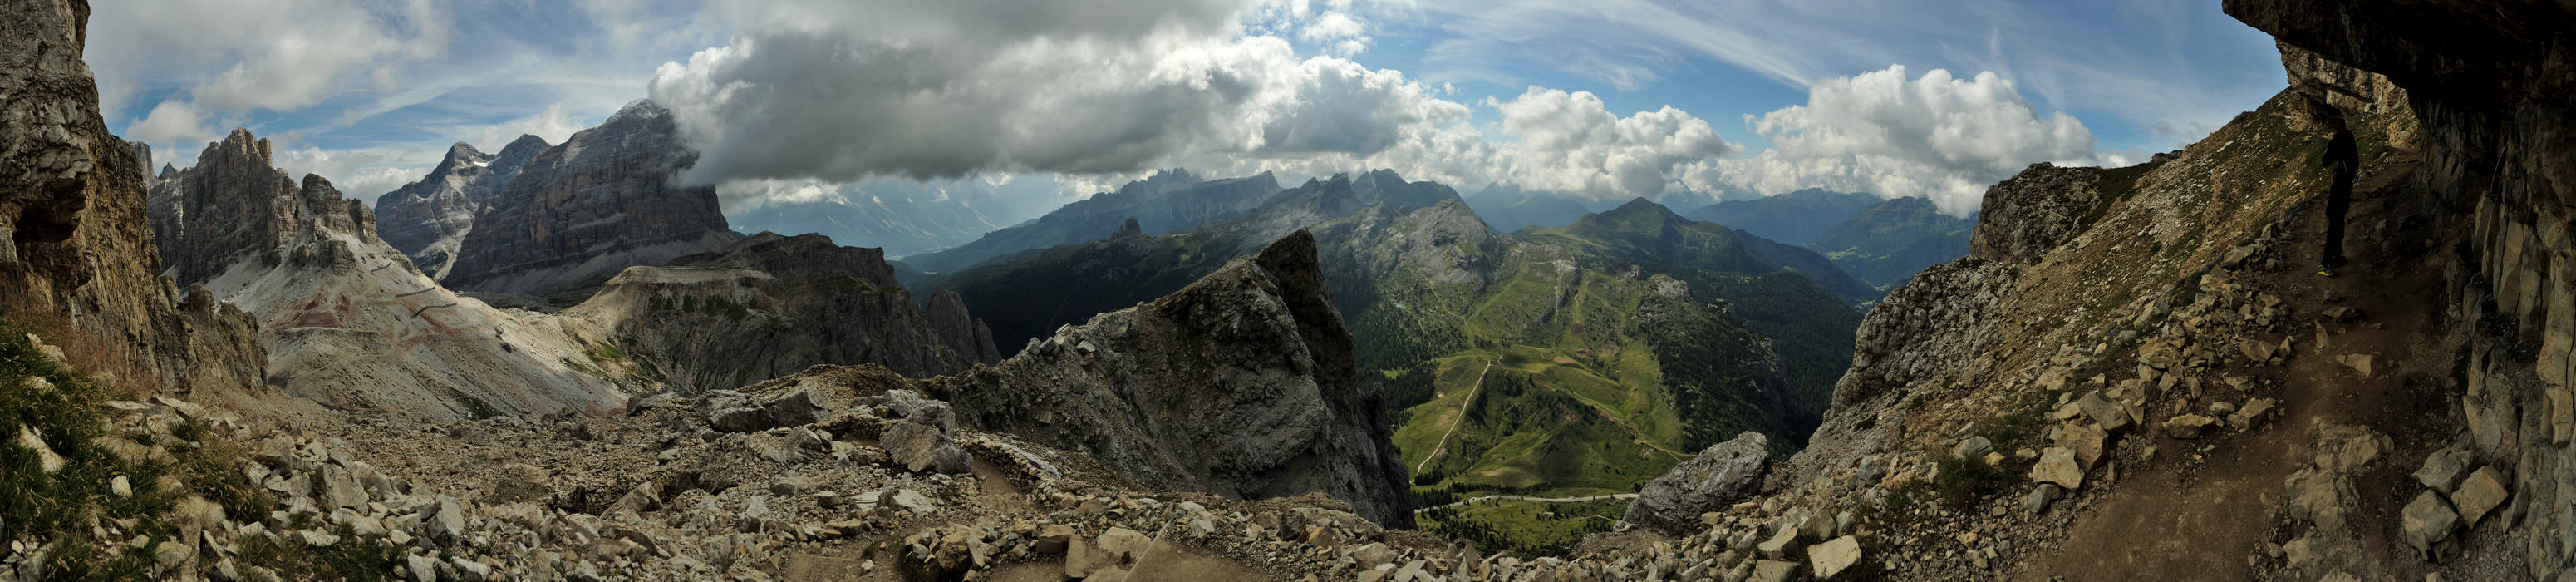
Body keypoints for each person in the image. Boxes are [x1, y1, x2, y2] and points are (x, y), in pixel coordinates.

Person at [2318, 114, 2359, 277]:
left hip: (2340, 184)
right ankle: (2336, 256)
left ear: (2336, 122)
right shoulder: (2350, 137)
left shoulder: (2338, 139)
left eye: (2333, 120)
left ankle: (2326, 263)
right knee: (2339, 220)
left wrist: (2332, 149)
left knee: (2334, 221)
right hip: (2347, 183)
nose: (2331, 122)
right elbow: (2356, 162)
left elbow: (2325, 161)